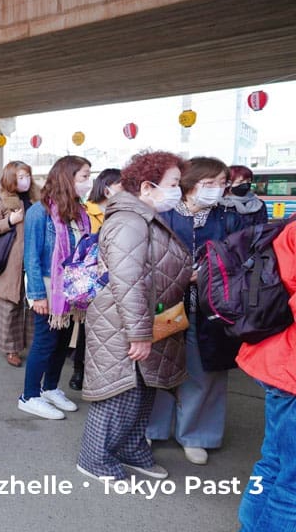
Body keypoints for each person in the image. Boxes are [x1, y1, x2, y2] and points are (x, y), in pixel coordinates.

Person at [76, 151, 190, 482]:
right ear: (147, 185)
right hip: (124, 324)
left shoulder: (144, 217)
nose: (177, 190)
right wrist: (140, 335)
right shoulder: (129, 221)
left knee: (142, 392)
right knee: (119, 393)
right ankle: (93, 458)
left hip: (142, 319)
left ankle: (130, 448)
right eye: (173, 184)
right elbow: (128, 281)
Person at [147, 157, 240, 465]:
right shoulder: (165, 213)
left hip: (210, 305)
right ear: (189, 184)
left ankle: (197, 434)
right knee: (160, 365)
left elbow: (241, 256)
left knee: (205, 370)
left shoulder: (228, 216)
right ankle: (151, 428)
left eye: (222, 183)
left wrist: (210, 271)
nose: (217, 190)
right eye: (209, 183)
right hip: (167, 301)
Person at [18, 155, 91, 420]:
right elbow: (31, 257)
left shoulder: (78, 211)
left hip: (72, 287)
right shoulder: (39, 211)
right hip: (49, 286)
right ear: (67, 177)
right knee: (45, 342)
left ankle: (50, 388)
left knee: (63, 341)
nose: (88, 182)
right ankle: (29, 395)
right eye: (84, 176)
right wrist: (37, 295)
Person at [236, 219, 296, 530]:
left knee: (273, 462)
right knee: (292, 483)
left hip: (278, 361)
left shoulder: (290, 228)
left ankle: (250, 526)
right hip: (289, 370)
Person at [0, 162, 39, 367]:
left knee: (35, 306)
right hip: (10, 264)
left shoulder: (37, 200)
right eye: (20, 176)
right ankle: (11, 349)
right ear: (11, 178)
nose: (25, 180)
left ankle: (34, 346)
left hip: (34, 262)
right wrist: (10, 221)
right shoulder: (1, 201)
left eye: (27, 176)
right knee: (10, 307)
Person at [70, 168, 122, 391]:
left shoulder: (122, 212)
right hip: (92, 277)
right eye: (121, 186)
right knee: (86, 328)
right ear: (107, 187)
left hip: (116, 275)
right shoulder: (87, 211)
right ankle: (79, 369)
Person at [222, 164, 268, 229]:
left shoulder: (259, 204)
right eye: (240, 182)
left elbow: (262, 228)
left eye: (248, 181)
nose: (246, 185)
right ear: (228, 184)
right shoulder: (219, 205)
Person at [84, 168, 123, 232]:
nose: (126, 191)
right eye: (122, 186)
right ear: (106, 190)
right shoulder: (85, 211)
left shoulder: (123, 211)